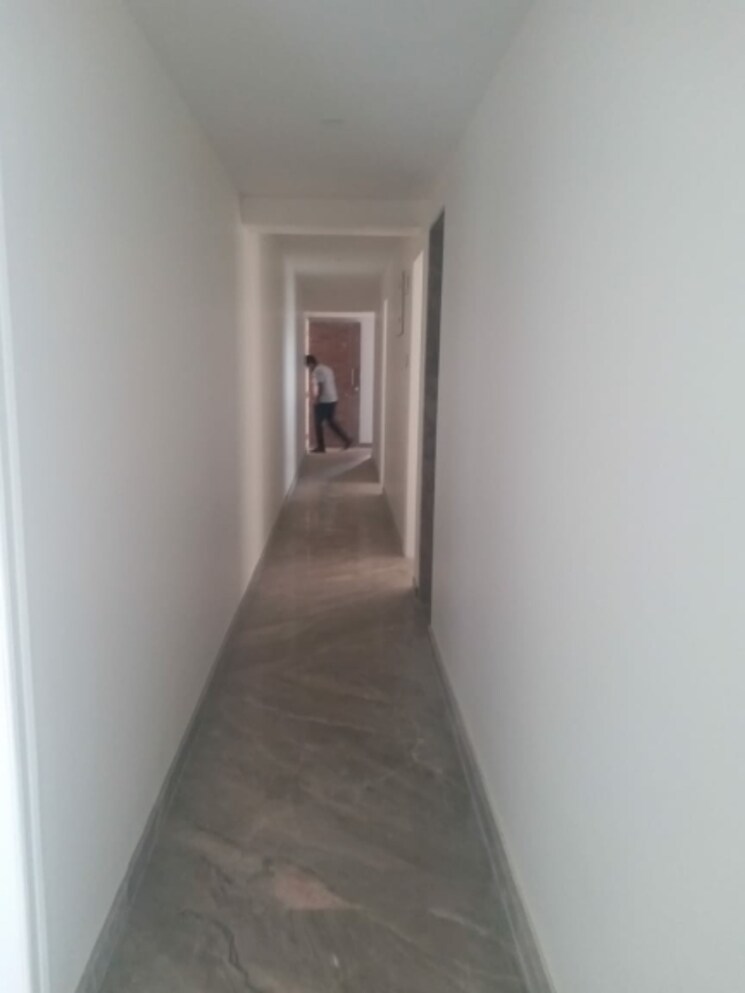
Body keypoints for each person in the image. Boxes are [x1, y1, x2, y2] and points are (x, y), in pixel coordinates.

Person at [305, 354, 353, 453]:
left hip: (324, 400)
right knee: (331, 422)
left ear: (311, 363)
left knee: (318, 423)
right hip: (333, 398)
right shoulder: (327, 368)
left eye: (308, 366)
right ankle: (347, 440)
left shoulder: (318, 370)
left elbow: (321, 386)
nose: (308, 369)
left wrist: (317, 399)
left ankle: (321, 447)